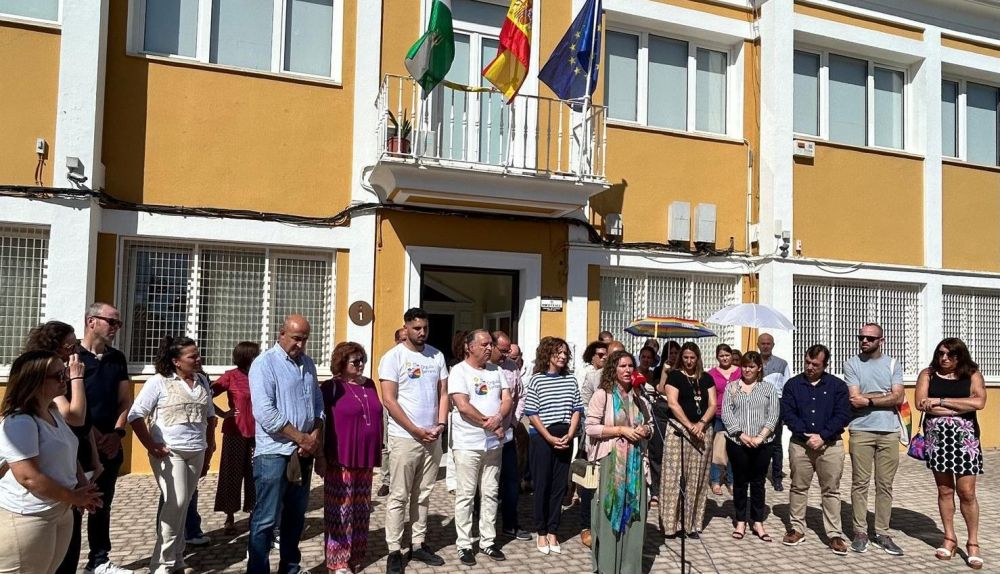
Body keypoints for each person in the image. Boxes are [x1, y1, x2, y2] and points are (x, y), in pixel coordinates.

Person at [0, 350, 103, 574]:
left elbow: (69, 451)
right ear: (34, 380)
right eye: (58, 376)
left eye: (64, 373)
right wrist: (75, 497)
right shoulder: (20, 421)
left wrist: (80, 489)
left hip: (59, 509)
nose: (64, 379)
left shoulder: (53, 412)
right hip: (28, 517)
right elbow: (28, 477)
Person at [127, 336, 216, 574]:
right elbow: (135, 415)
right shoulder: (159, 382)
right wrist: (151, 445)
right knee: (174, 502)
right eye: (192, 356)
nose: (198, 359)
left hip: (196, 451)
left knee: (183, 504)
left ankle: (177, 559)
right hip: (169, 451)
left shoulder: (201, 382)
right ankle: (161, 564)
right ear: (176, 361)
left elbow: (210, 416)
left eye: (198, 354)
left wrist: (210, 448)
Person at [23, 322, 105, 574]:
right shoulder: (48, 381)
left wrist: (92, 457)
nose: (76, 351)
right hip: (46, 489)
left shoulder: (58, 379)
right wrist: (76, 377)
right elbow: (74, 416)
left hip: (74, 460)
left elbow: (80, 426)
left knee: (68, 543)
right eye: (71, 345)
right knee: (49, 558)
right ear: (56, 347)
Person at [247, 315, 325, 574]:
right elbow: (265, 412)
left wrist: (313, 436)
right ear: (281, 334)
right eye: (296, 338)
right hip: (274, 454)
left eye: (304, 339)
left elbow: (318, 405)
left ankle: (290, 568)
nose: (300, 345)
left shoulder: (308, 364)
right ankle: (258, 570)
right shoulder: (264, 364)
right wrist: (300, 437)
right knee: (266, 519)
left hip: (303, 453)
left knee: (295, 518)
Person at [379, 308, 449, 573]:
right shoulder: (392, 357)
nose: (422, 333)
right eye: (417, 328)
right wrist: (416, 430)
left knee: (423, 494)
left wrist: (440, 424)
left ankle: (418, 544)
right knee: (399, 495)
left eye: (425, 328)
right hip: (404, 438)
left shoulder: (436, 355)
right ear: (406, 327)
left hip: (433, 437)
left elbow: (443, 393)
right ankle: (394, 550)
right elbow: (389, 400)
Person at [915, 338, 986, 569]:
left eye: (949, 354)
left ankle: (973, 543)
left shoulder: (972, 374)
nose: (944, 358)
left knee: (967, 492)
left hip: (966, 441)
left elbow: (979, 402)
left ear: (959, 356)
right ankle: (949, 538)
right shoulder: (928, 374)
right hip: (938, 441)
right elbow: (921, 403)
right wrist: (960, 405)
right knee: (945, 490)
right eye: (940, 354)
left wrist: (941, 401)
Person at [78, 303, 135, 574]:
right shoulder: (73, 357)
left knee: (103, 503)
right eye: (111, 322)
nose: (115, 328)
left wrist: (117, 432)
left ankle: (99, 560)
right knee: (75, 505)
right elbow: (67, 402)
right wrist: (95, 433)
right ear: (91, 322)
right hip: (79, 445)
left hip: (110, 444)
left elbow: (125, 399)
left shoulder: (117, 358)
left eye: (118, 323)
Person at [585, 350, 652, 574]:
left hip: (635, 463)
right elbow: (590, 427)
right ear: (613, 369)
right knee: (609, 511)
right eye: (622, 366)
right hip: (611, 462)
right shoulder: (603, 395)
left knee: (634, 515)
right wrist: (620, 429)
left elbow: (651, 425)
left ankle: (630, 567)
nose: (627, 370)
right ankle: (607, 565)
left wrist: (645, 429)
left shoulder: (639, 397)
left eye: (630, 366)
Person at [780, 344, 852, 554]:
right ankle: (796, 528)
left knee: (831, 490)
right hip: (800, 446)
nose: (810, 367)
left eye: (815, 364)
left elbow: (843, 415)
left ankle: (834, 534)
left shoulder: (837, 386)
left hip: (830, 445)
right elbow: (788, 413)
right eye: (807, 363)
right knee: (798, 487)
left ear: (825, 365)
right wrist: (806, 435)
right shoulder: (793, 385)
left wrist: (823, 436)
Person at [319, 342, 383, 574]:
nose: (360, 365)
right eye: (355, 361)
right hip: (340, 457)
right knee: (340, 511)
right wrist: (321, 456)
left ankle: (356, 554)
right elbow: (321, 423)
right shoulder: (331, 387)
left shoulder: (370, 385)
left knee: (361, 509)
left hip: (365, 457)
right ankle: (337, 561)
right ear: (342, 363)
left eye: (362, 360)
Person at [449, 330, 512, 565]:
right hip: (468, 444)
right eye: (484, 344)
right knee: (466, 496)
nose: (489, 348)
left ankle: (487, 541)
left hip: (493, 444)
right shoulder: (459, 371)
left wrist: (497, 420)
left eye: (490, 344)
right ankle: (464, 544)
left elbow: (507, 399)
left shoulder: (496, 371)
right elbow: (463, 406)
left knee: (490, 493)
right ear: (469, 347)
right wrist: (490, 423)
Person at [844, 323, 905, 555]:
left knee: (885, 485)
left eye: (870, 338)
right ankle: (860, 532)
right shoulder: (852, 363)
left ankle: (882, 532)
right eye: (861, 337)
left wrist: (869, 400)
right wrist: (883, 396)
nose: (864, 341)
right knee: (860, 483)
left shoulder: (892, 364)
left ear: (882, 340)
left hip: (889, 431)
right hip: (861, 430)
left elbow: (897, 397)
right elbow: (854, 398)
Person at [524, 337, 583, 555]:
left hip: (565, 434)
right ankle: (540, 531)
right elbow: (532, 413)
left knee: (559, 486)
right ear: (548, 354)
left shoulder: (571, 380)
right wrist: (548, 437)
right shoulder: (537, 380)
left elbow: (577, 408)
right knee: (542, 485)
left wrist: (570, 433)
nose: (563, 356)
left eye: (566, 353)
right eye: (559, 352)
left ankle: (553, 531)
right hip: (543, 437)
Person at [657, 342, 716, 537]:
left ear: (698, 358)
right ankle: (670, 525)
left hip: (703, 431)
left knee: (697, 478)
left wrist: (701, 424)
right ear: (681, 358)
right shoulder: (675, 376)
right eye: (686, 357)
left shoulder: (706, 378)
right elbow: (673, 403)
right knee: (673, 478)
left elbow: (713, 404)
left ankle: (691, 524)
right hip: (679, 430)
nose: (689, 361)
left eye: (693, 357)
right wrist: (690, 426)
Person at [721, 351, 780, 542]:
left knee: (758, 482)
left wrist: (760, 437)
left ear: (759, 368)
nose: (747, 369)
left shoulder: (768, 388)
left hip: (762, 443)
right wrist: (741, 434)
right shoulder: (732, 387)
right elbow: (726, 413)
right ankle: (740, 520)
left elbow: (773, 415)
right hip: (738, 442)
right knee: (740, 482)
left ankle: (757, 520)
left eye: (752, 366)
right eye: (745, 366)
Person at [211, 341, 260, 534]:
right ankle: (229, 516)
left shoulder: (260, 376)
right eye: (255, 355)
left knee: (255, 474)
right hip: (235, 432)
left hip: (258, 433)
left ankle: (254, 512)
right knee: (231, 474)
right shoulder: (230, 376)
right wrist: (223, 413)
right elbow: (206, 395)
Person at [492, 331, 530, 542]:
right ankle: (478, 524)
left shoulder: (511, 367)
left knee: (511, 481)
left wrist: (514, 422)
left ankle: (510, 524)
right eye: (503, 350)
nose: (506, 355)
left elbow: (521, 395)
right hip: (482, 435)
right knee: (483, 483)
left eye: (509, 351)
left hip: (506, 434)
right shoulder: (478, 367)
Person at [758, 333, 791, 491]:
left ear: (772, 345)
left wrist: (784, 412)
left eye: (768, 343)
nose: (765, 346)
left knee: (776, 444)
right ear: (758, 345)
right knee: (758, 441)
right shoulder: (752, 361)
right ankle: (758, 475)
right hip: (756, 405)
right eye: (762, 343)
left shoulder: (782, 364)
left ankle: (777, 478)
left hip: (775, 404)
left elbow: (787, 389)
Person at [378, 330, 408, 498]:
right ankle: (386, 480)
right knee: (386, 446)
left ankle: (401, 479)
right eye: (402, 339)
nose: (405, 342)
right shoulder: (389, 358)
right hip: (389, 406)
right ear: (396, 340)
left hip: (407, 409)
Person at [708, 344, 740, 496]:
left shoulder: (739, 371)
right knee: (717, 449)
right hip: (719, 414)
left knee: (734, 450)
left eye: (727, 355)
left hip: (736, 415)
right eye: (721, 355)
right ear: (717, 357)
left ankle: (732, 480)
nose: (725, 358)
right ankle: (715, 481)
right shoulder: (712, 373)